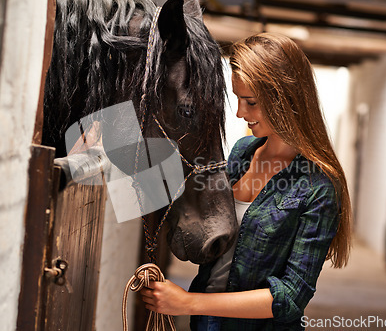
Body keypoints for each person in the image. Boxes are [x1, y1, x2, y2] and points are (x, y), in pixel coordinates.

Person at [140, 32, 352, 330]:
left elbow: (291, 298)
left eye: (250, 102)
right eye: (238, 99)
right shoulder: (242, 152)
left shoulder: (318, 186)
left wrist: (188, 303)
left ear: (284, 98)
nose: (240, 113)